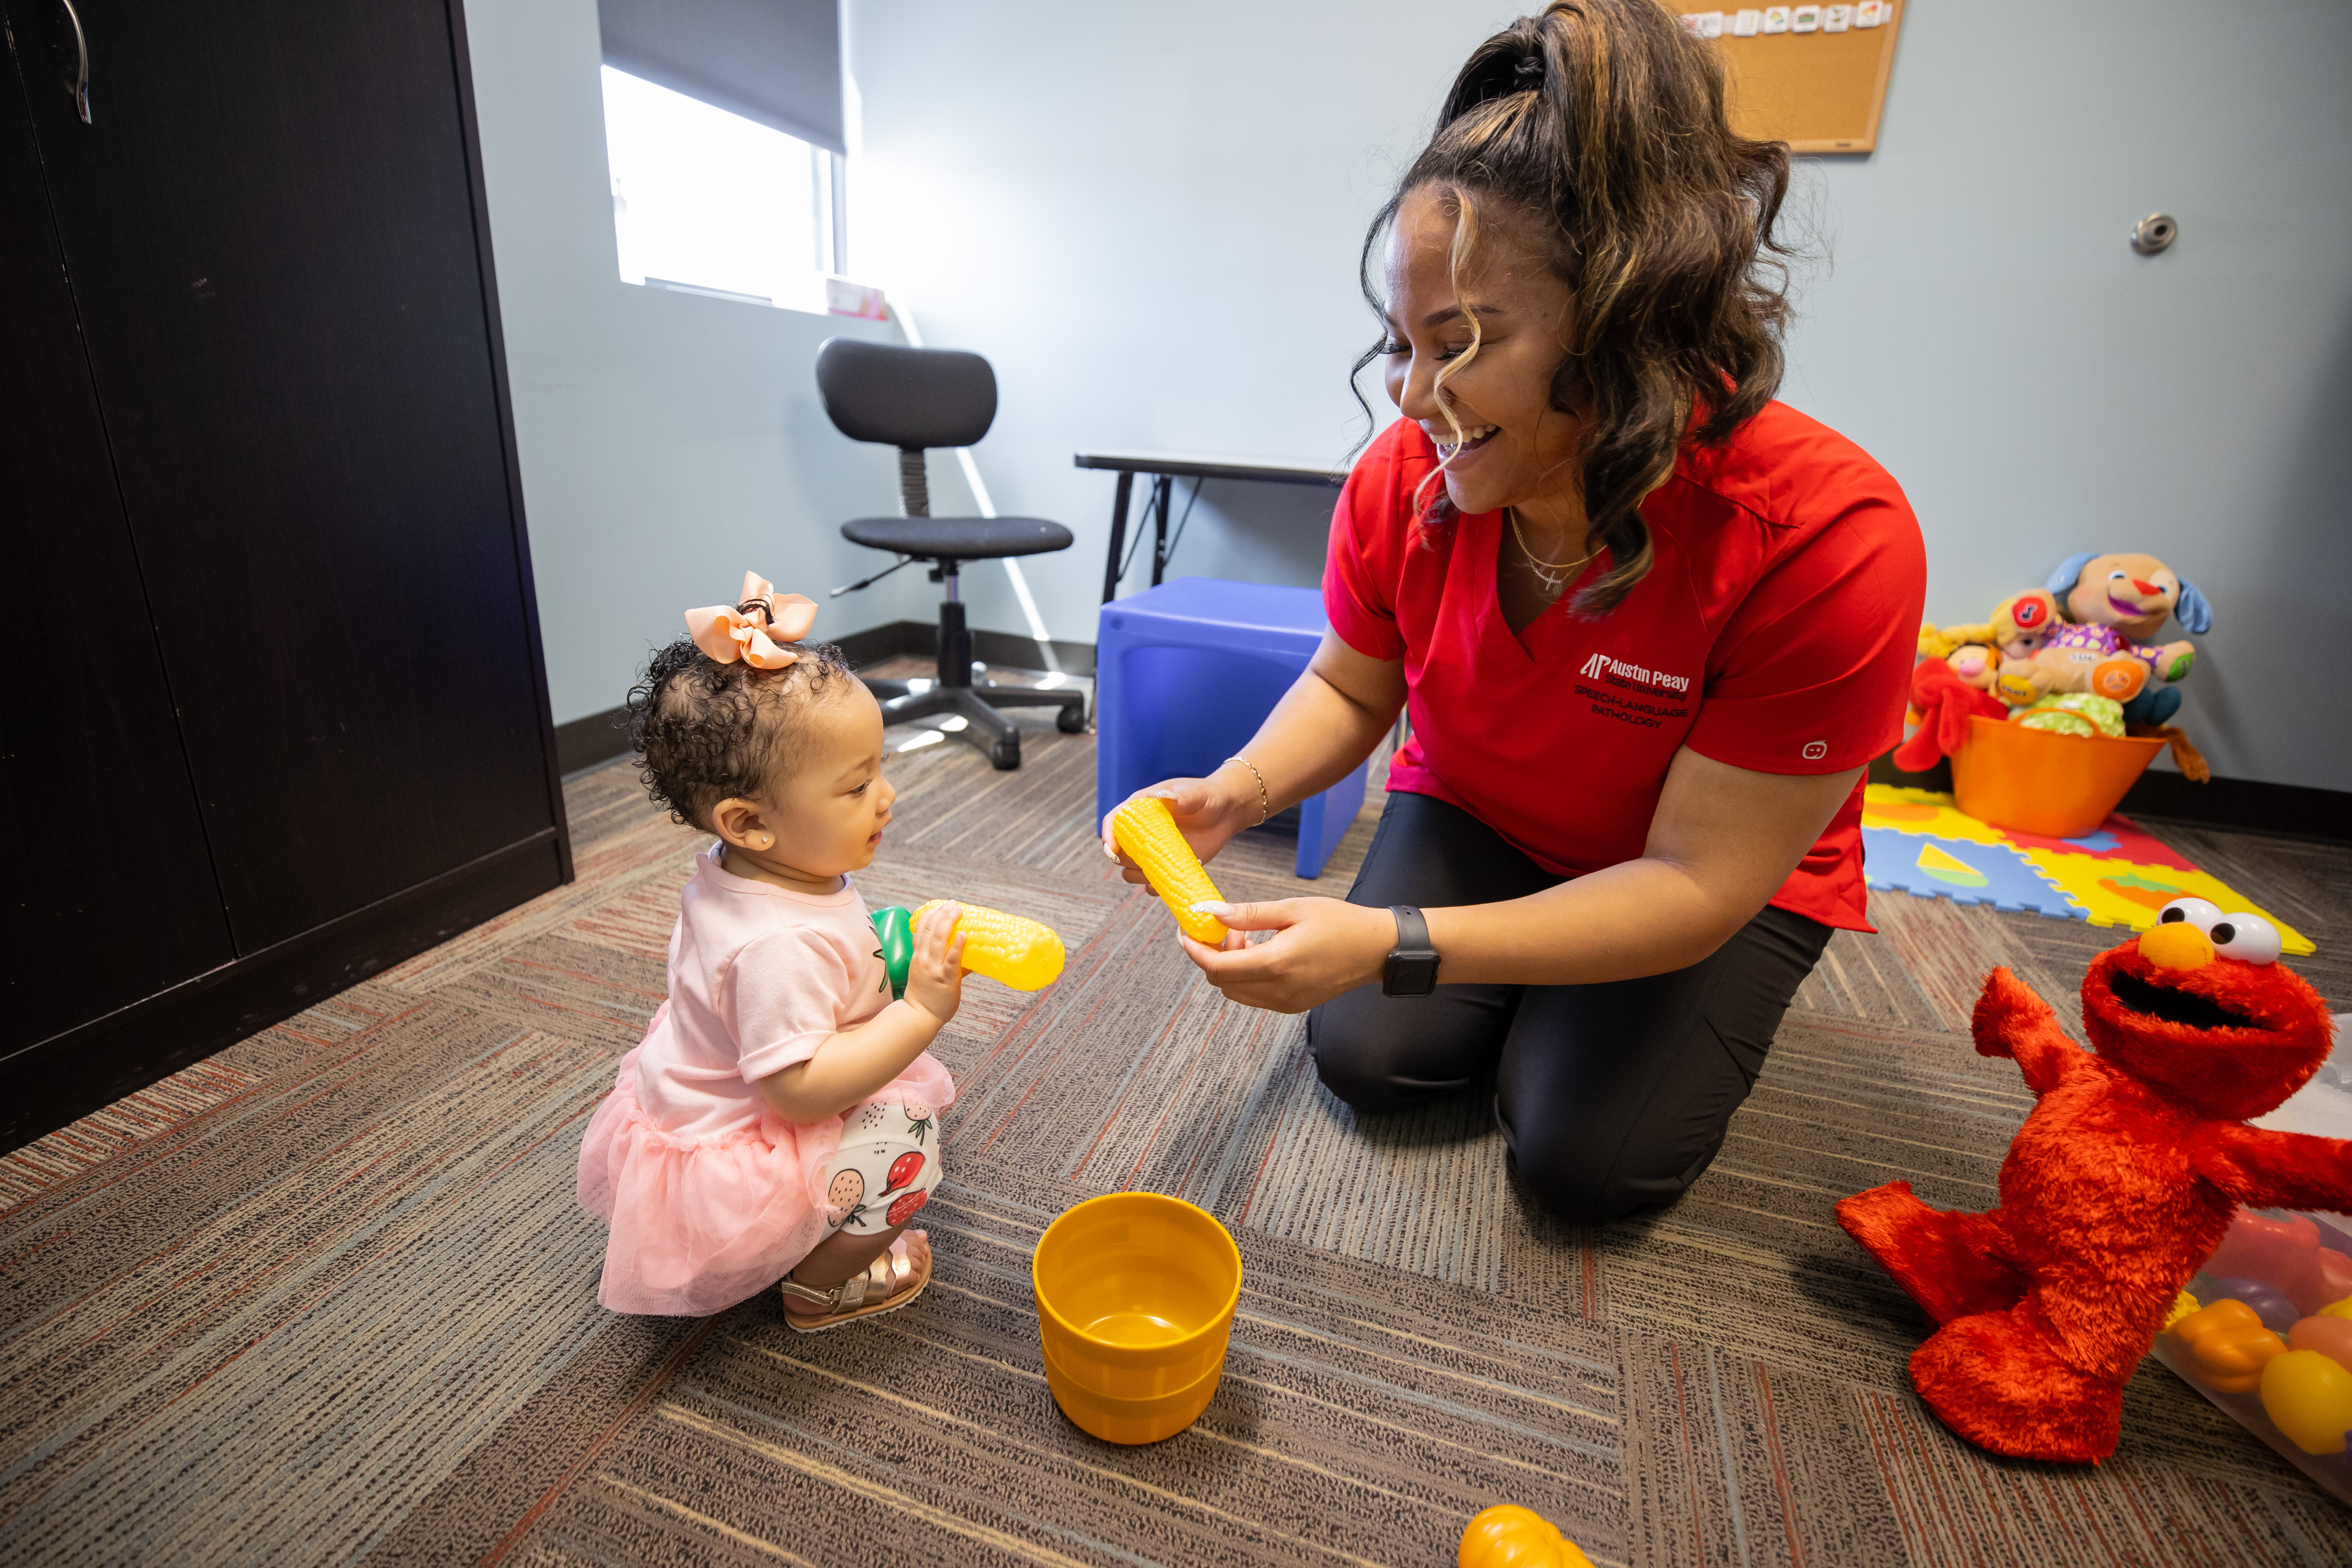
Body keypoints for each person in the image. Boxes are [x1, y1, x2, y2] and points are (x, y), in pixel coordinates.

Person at [1102, 1, 1926, 1224]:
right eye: (1399, 345)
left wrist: (1394, 942)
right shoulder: (1410, 476)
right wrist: (1236, 792)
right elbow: (1350, 683)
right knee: (1368, 1064)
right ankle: (1537, 981)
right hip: (1483, 805)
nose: (1416, 397)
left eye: (1461, 343)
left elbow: (1699, 880)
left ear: (1624, 318)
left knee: (1587, 1169)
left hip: (1692, 862)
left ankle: (1574, 1008)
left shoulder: (1825, 540)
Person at [578, 573, 962, 1324]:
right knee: (910, 1146)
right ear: (749, 822)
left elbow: (821, 956)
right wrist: (918, 1012)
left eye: (878, 770)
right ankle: (821, 1285)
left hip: (710, 1078)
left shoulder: (760, 872)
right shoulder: (776, 948)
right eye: (856, 788)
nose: (886, 796)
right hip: (749, 1133)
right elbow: (798, 1092)